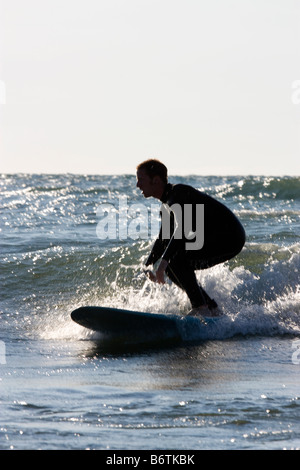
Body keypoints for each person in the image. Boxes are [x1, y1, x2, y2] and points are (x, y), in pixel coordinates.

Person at [136, 159, 246, 317]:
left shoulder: (178, 193)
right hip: (216, 238)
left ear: (156, 180)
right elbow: (163, 239)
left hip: (229, 237)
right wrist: (149, 266)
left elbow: (183, 228)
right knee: (173, 264)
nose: (137, 185)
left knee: (174, 260)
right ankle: (211, 308)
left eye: (141, 180)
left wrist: (162, 263)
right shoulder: (167, 204)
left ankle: (201, 308)